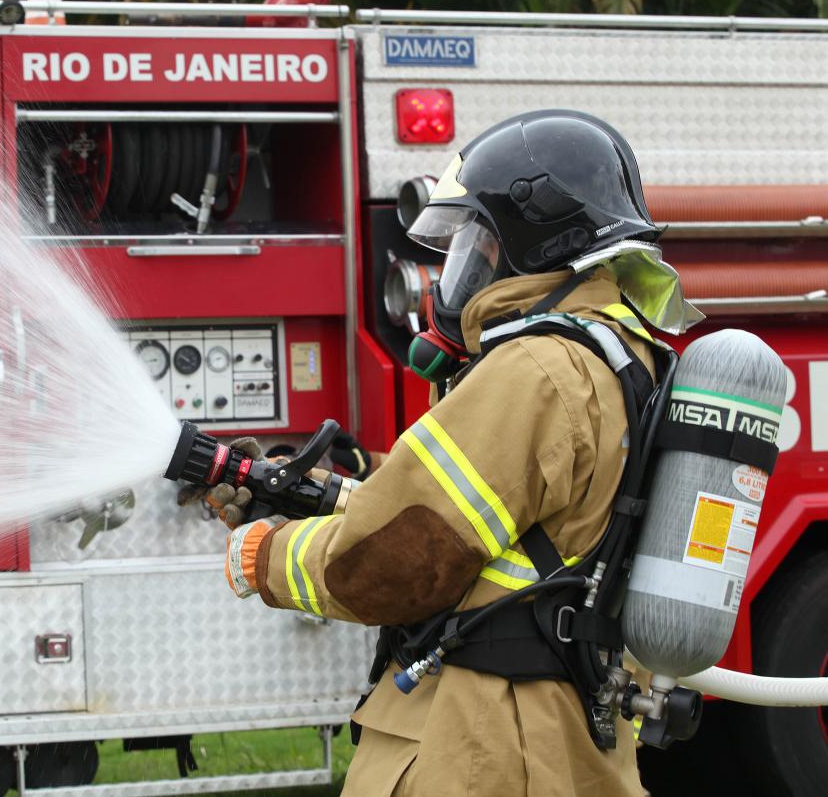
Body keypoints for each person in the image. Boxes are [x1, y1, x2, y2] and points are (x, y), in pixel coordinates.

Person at [199, 110, 702, 796]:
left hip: (486, 746)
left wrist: (265, 556)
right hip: (545, 739)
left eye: (480, 242)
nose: (466, 265)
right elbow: (503, 524)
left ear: (534, 243)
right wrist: (346, 485)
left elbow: (392, 561)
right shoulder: (612, 354)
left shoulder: (536, 370)